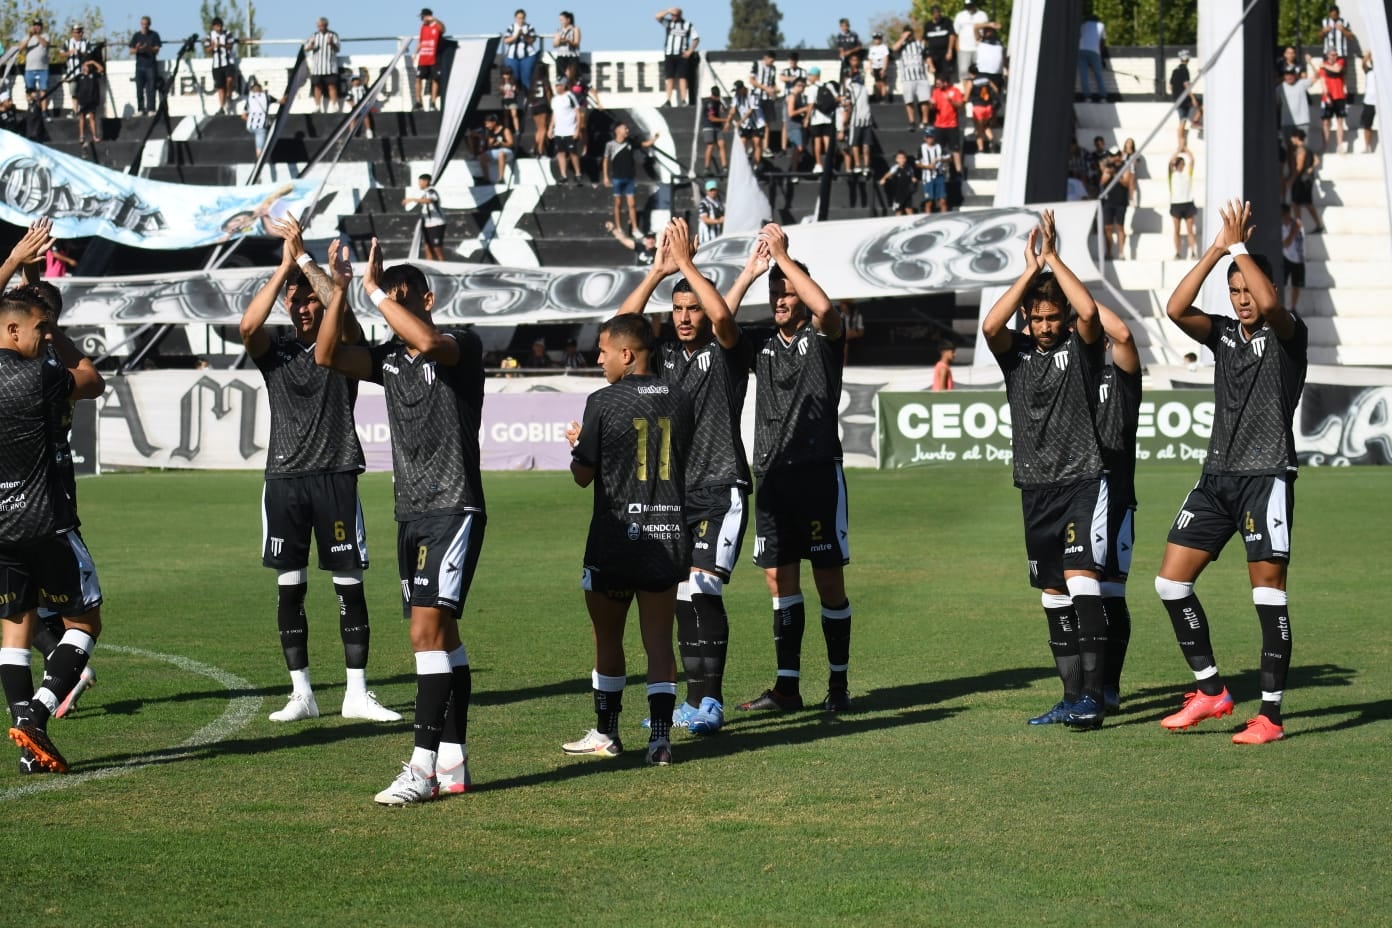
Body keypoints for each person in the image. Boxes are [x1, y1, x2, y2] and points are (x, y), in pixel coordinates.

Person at [316, 237, 487, 803]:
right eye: (388, 296)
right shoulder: (388, 360)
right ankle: (455, 761)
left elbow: (428, 340)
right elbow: (326, 356)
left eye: (401, 295)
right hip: (411, 512)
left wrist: (370, 291)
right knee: (445, 637)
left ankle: (421, 767)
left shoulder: (459, 343)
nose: (390, 303)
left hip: (453, 507)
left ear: (427, 298)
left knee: (423, 634)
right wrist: (340, 291)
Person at [1155, 199, 1308, 746]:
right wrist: (1219, 248)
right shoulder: (1222, 335)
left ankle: (1270, 715)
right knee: (1170, 582)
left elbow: (1272, 303)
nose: (1244, 300)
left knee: (1267, 594)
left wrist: (1242, 250)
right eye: (1235, 291)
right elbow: (1176, 308)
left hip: (1266, 477)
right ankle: (1211, 691)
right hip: (1216, 477)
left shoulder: (1289, 333)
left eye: (1249, 289)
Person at [239, 219, 401, 728]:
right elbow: (247, 327)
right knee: (291, 589)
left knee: (348, 587)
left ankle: (356, 692)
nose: (305, 306)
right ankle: (302, 692)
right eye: (297, 300)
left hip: (335, 474)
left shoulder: (344, 350)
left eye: (312, 300)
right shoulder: (276, 352)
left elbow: (344, 313)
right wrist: (286, 266)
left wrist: (310, 265)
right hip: (284, 480)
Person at [615, 217, 750, 736]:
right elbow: (618, 329)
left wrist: (689, 267)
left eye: (693, 308)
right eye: (678, 309)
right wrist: (658, 270)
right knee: (679, 594)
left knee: (703, 587)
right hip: (672, 494)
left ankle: (709, 701)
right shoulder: (662, 356)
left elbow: (724, 319)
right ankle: (697, 703)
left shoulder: (726, 352)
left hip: (720, 487)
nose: (686, 317)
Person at [981, 209, 1110, 730]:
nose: (1043, 326)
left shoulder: (1079, 350)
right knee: (1053, 595)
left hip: (1081, 479)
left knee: (1082, 584)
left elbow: (1089, 313)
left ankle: (1095, 699)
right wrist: (1030, 272)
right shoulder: (1015, 357)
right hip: (1035, 489)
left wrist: (1053, 260)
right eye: (1035, 319)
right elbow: (992, 325)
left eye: (1050, 318)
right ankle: (1070, 696)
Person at [724, 223, 854, 714]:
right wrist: (754, 270)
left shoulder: (822, 339)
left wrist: (785, 259)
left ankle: (838, 685)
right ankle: (787, 687)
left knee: (828, 582)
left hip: (818, 473)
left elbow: (826, 310)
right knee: (779, 582)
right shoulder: (760, 343)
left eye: (786, 291)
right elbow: (721, 323)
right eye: (775, 293)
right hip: (773, 476)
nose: (780, 299)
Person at [561, 313, 694, 765]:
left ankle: (607, 733)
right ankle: (660, 740)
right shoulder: (679, 397)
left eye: (602, 351)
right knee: (659, 642)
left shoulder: (603, 400)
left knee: (607, 640)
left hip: (615, 537)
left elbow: (583, 476)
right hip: (666, 534)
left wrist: (578, 447)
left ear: (627, 353)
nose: (598, 359)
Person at [2, 285, 107, 774]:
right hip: (47, 520)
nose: (44, 336)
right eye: (39, 328)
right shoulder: (39, 374)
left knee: (14, 633)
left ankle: (28, 749)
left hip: (1, 526)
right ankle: (38, 715)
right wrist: (58, 334)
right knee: (85, 624)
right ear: (13, 328)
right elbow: (91, 380)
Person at [1093, 304, 1140, 712]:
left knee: (1109, 593)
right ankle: (1079, 689)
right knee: (1070, 597)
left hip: (1116, 497)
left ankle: (1109, 685)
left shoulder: (1120, 378)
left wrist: (1076, 294)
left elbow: (1124, 335)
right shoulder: (1063, 373)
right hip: (1068, 498)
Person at [602, 122, 659, 234]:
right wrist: (605, 176)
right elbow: (605, 160)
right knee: (618, 203)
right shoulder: (610, 145)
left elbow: (645, 144)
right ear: (617, 130)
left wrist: (655, 138)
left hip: (629, 178)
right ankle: (619, 227)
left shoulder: (630, 143)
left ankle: (634, 228)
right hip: (617, 178)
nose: (627, 130)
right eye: (625, 128)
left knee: (632, 204)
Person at [656, 7, 698, 107]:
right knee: (669, 78)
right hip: (669, 54)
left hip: (682, 55)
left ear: (679, 15)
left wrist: (690, 51)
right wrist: (668, 11)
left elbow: (696, 38)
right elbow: (657, 17)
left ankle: (683, 100)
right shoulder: (669, 23)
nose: (673, 17)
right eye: (672, 15)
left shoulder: (687, 25)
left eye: (675, 15)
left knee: (683, 77)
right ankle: (668, 100)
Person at [893, 24, 932, 131]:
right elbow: (894, 48)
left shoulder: (919, 44)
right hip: (907, 78)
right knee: (909, 101)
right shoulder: (902, 45)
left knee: (924, 100)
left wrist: (931, 66)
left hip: (921, 76)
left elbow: (927, 55)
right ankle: (912, 121)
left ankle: (925, 121)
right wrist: (903, 38)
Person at [1286, 129, 1324, 234]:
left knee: (1299, 203)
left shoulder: (1300, 150)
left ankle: (1300, 226)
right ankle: (1314, 225)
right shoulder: (1308, 148)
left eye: (1293, 137)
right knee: (1302, 203)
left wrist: (1291, 180)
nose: (1291, 139)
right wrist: (1311, 168)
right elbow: (1317, 160)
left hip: (1301, 181)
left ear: (1297, 138)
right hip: (1307, 180)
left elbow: (1299, 167)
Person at [402, 173, 447, 261]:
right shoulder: (426, 192)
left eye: (420, 182)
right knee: (427, 248)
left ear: (426, 181)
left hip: (436, 224)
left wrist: (412, 199)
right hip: (427, 225)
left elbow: (429, 200)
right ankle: (429, 271)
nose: (419, 184)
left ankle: (445, 270)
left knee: (437, 249)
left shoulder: (431, 191)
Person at [1099, 146, 1133, 260]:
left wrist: (1114, 175)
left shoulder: (1125, 167)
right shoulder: (1108, 167)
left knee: (1120, 227)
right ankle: (1108, 253)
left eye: (1116, 155)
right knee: (1108, 228)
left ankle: (1121, 252)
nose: (1114, 158)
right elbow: (1102, 182)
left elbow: (1126, 183)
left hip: (1120, 202)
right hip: (1108, 202)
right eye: (1112, 156)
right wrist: (1107, 171)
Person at [930, 71, 965, 175]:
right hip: (939, 125)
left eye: (939, 83)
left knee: (955, 149)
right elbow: (933, 107)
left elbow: (960, 105)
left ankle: (958, 170)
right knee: (938, 148)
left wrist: (951, 101)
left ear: (945, 82)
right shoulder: (936, 92)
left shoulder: (955, 91)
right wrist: (931, 105)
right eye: (936, 84)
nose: (937, 85)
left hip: (952, 125)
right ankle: (938, 169)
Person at [548, 76, 581, 184]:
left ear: (564, 85)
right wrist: (551, 128)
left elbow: (577, 112)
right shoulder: (554, 99)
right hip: (559, 131)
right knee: (560, 153)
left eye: (559, 85)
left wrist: (577, 129)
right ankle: (563, 175)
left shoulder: (570, 96)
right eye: (556, 85)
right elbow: (554, 114)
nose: (557, 87)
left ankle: (578, 173)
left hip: (570, 130)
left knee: (573, 153)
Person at [205, 17, 240, 116]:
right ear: (213, 27)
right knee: (220, 87)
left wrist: (221, 45)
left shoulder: (227, 33)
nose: (218, 28)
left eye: (220, 26)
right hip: (216, 65)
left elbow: (230, 45)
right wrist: (212, 46)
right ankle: (222, 107)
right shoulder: (210, 35)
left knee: (229, 80)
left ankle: (229, 96)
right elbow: (207, 49)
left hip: (228, 63)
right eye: (216, 26)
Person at [304, 18, 341, 113]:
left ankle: (334, 105)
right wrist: (311, 45)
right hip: (317, 67)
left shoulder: (333, 35)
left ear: (326, 25)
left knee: (332, 85)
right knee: (317, 86)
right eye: (319, 26)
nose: (321, 27)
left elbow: (337, 49)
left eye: (322, 25)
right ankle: (317, 106)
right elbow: (306, 48)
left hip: (330, 66)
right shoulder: (314, 35)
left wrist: (331, 43)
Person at [1169, 146, 1198, 259]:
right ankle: (1178, 252)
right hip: (1176, 203)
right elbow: (1170, 162)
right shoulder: (1172, 175)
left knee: (1190, 229)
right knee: (1177, 230)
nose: (1181, 166)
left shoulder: (1188, 174)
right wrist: (1177, 151)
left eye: (1182, 164)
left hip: (1188, 202)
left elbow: (1192, 160)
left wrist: (1186, 150)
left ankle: (1193, 251)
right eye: (1179, 164)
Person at [129, 16, 162, 115]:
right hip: (139, 66)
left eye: (146, 24)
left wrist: (149, 48)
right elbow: (131, 51)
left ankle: (151, 109)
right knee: (139, 89)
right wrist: (138, 49)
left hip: (150, 65)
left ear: (149, 24)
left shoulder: (154, 35)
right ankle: (140, 109)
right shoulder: (136, 36)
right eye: (142, 24)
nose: (144, 26)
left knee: (151, 88)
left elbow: (157, 49)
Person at [1317, 50, 1348, 153]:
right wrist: (1327, 96)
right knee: (1325, 122)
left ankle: (1340, 145)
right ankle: (1325, 146)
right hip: (1329, 97)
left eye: (1335, 55)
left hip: (1339, 96)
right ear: (1327, 55)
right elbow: (1323, 82)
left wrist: (1325, 66)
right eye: (1332, 55)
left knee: (1340, 121)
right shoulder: (1323, 67)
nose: (1334, 57)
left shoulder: (1340, 62)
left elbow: (1338, 70)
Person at [416, 9, 447, 110]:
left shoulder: (436, 25)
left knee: (435, 79)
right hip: (423, 57)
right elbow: (421, 41)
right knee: (418, 78)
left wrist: (434, 19)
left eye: (423, 17)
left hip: (434, 57)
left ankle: (433, 102)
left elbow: (443, 29)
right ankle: (418, 102)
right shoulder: (423, 27)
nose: (422, 19)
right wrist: (415, 52)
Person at [1277, 62, 1313, 148]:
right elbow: (1277, 105)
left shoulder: (1302, 84)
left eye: (1291, 74)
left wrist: (1310, 62)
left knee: (1302, 149)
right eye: (1287, 74)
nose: (1289, 76)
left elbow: (1317, 76)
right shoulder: (1279, 89)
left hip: (1302, 122)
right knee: (1288, 150)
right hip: (1287, 123)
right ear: (1284, 76)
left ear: (1295, 75)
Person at [502, 9, 539, 93]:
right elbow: (506, 40)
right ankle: (514, 99)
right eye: (519, 18)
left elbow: (532, 40)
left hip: (527, 56)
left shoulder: (529, 27)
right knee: (514, 78)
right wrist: (516, 36)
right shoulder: (511, 27)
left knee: (526, 77)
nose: (520, 20)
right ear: (515, 18)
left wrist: (524, 35)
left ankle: (529, 97)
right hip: (512, 56)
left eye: (522, 18)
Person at [953, 0, 989, 83]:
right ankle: (966, 92)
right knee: (964, 71)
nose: (969, 8)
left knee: (979, 70)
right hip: (964, 48)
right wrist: (957, 47)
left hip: (979, 48)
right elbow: (956, 33)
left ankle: (978, 90)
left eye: (970, 6)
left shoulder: (982, 15)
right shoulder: (960, 16)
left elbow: (986, 31)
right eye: (967, 6)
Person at [1171, 50, 1201, 147]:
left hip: (1177, 99)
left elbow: (1171, 86)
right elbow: (1186, 84)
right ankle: (1195, 121)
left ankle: (1181, 144)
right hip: (1184, 99)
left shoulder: (1175, 70)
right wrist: (1193, 98)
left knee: (1182, 121)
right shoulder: (1185, 70)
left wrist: (1176, 95)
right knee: (1202, 102)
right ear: (1188, 59)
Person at [731, 80, 765, 166]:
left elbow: (751, 110)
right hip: (745, 124)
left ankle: (756, 164)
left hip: (756, 123)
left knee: (757, 142)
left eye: (738, 90)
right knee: (742, 143)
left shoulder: (752, 94)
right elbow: (733, 109)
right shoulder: (736, 96)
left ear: (742, 88)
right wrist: (729, 119)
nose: (737, 93)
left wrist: (741, 121)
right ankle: (744, 161)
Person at [476, 112, 515, 186]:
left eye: (488, 123)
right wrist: (490, 144)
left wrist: (501, 143)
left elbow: (510, 143)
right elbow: (489, 146)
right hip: (495, 151)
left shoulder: (505, 130)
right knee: (482, 156)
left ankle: (501, 178)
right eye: (486, 124)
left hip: (506, 151)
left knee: (501, 153)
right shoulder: (489, 132)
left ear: (494, 122)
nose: (486, 126)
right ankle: (486, 179)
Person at [1280, 202, 1305, 311]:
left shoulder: (1297, 224)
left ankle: (1293, 307)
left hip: (1299, 258)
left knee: (1297, 284)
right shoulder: (1281, 227)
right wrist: (1293, 232)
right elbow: (1285, 243)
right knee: (1282, 282)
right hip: (1286, 257)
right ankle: (1281, 305)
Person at [699, 85, 729, 176]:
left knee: (722, 144)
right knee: (711, 145)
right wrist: (725, 120)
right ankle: (706, 168)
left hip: (717, 127)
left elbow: (723, 110)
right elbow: (711, 118)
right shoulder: (710, 103)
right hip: (709, 126)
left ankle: (725, 167)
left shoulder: (717, 102)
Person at [918, 126, 949, 212]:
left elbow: (949, 158)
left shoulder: (939, 147)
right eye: (928, 137)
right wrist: (928, 167)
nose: (930, 139)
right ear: (925, 138)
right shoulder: (922, 148)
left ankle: (945, 220)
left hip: (939, 176)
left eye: (931, 137)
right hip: (928, 178)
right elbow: (917, 164)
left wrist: (940, 159)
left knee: (943, 201)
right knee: (929, 202)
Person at [1078, 12, 1107, 102]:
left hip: (1081, 50)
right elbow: (1103, 41)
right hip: (1094, 51)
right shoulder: (1101, 25)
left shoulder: (1083, 25)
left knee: (1084, 75)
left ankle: (1087, 97)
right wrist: (1100, 55)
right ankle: (1103, 97)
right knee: (1098, 74)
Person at [73, 59, 103, 146]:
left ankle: (94, 136)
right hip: (82, 101)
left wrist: (93, 62)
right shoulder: (79, 77)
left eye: (86, 66)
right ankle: (81, 135)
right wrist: (76, 104)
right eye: (83, 66)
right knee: (81, 117)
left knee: (92, 118)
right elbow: (76, 92)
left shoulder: (93, 75)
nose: (84, 67)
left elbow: (101, 69)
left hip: (91, 100)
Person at [879, 149, 919, 215]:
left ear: (905, 159)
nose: (902, 160)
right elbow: (888, 174)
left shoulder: (909, 168)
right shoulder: (895, 168)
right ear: (896, 160)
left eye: (903, 158)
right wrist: (883, 179)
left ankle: (911, 224)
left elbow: (912, 177)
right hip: (898, 194)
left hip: (907, 193)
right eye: (899, 158)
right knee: (899, 211)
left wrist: (914, 179)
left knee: (909, 209)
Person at [22, 21, 50, 105]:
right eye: (35, 25)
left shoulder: (45, 36)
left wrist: (37, 35)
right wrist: (30, 36)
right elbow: (20, 48)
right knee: (30, 90)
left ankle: (44, 111)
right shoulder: (27, 37)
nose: (36, 27)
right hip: (29, 68)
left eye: (38, 26)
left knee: (43, 90)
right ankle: (32, 108)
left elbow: (45, 44)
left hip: (43, 68)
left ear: (41, 27)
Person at [527, 60, 552, 157]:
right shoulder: (544, 79)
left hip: (534, 105)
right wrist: (550, 105)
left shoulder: (532, 81)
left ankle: (534, 147)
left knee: (538, 128)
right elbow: (548, 92)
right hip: (542, 104)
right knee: (543, 129)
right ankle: (540, 150)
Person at [243, 78, 271, 158]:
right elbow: (281, 101)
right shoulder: (266, 97)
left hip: (250, 126)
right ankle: (259, 160)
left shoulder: (249, 99)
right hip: (261, 126)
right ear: (261, 89)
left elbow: (243, 116)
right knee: (260, 147)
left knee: (258, 135)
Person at [552, 11, 581, 77]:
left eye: (562, 20)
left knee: (572, 76)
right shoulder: (559, 30)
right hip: (561, 56)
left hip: (572, 56)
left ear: (568, 20)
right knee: (561, 77)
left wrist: (568, 41)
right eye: (560, 20)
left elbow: (576, 43)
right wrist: (559, 41)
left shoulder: (575, 29)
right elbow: (554, 44)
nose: (561, 22)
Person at [1359, 52, 1377, 153]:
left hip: (1379, 102)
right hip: (1369, 102)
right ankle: (1367, 146)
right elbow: (1363, 64)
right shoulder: (1369, 71)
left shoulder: (1383, 72)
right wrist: (1369, 54)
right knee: (1367, 125)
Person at [697, 180, 723, 245]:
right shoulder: (703, 203)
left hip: (717, 236)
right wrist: (719, 221)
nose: (713, 192)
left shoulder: (719, 203)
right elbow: (705, 219)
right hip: (707, 238)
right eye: (711, 190)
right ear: (707, 191)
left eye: (714, 190)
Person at [867, 32, 890, 102]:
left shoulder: (884, 47)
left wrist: (884, 68)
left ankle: (884, 98)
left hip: (881, 67)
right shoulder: (872, 48)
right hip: (875, 67)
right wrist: (871, 68)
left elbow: (886, 58)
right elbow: (870, 59)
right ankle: (878, 98)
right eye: (875, 38)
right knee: (877, 83)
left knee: (883, 83)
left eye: (878, 38)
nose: (877, 40)